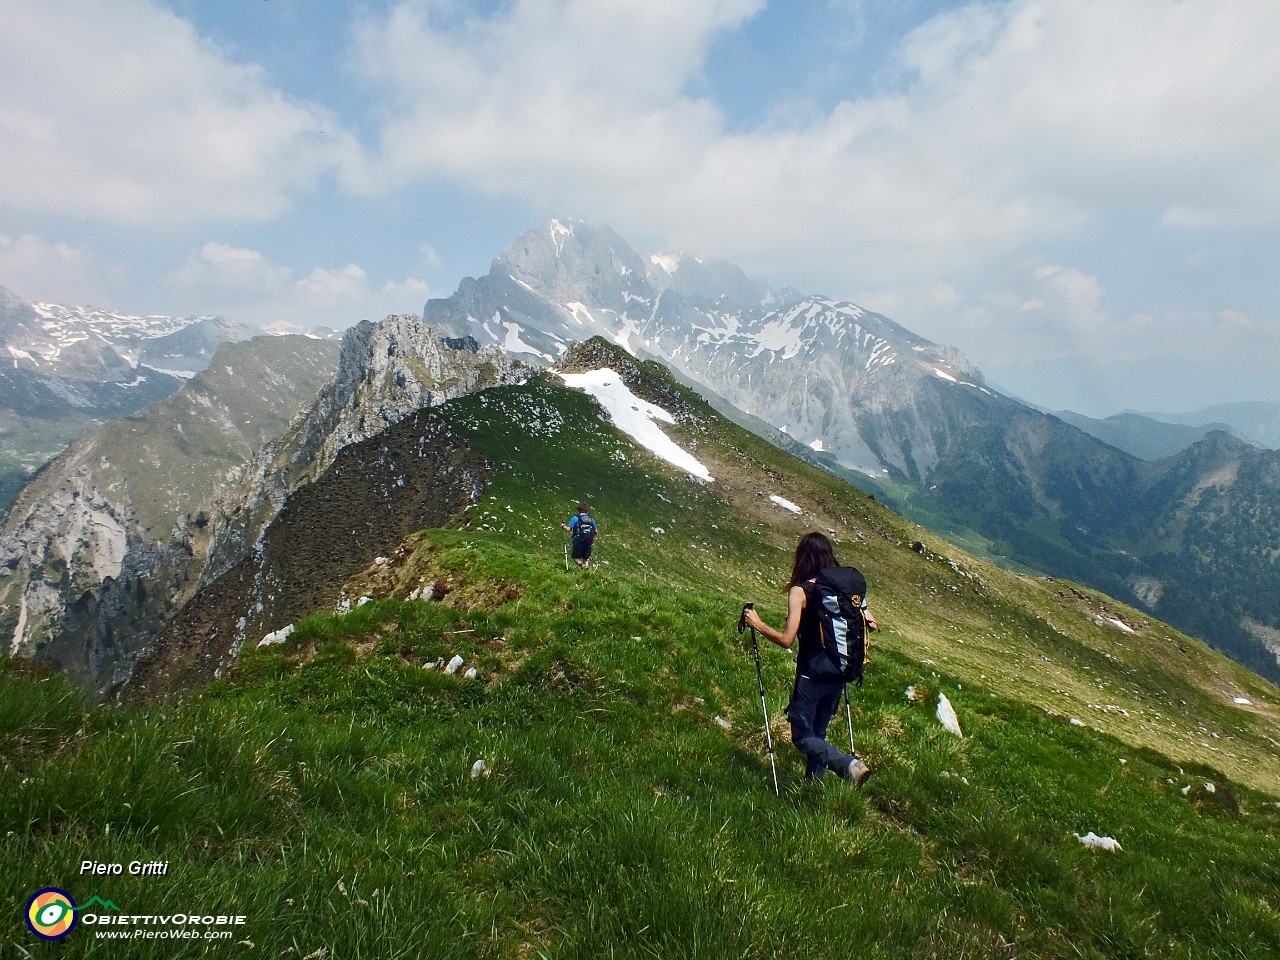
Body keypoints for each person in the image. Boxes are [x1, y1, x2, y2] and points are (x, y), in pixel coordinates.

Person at [744, 531, 878, 786]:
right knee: (819, 731)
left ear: (803, 559)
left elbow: (786, 639)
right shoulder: (843, 590)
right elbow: (871, 623)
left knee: (803, 736)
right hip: (840, 670)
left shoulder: (800, 591)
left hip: (812, 672)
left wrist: (758, 624)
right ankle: (812, 787)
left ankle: (848, 765)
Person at [561, 502, 598, 568]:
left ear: (579, 510)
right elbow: (596, 531)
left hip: (578, 541)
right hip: (588, 541)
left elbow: (568, 529)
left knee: (575, 557)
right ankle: (585, 571)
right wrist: (591, 537)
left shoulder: (575, 518)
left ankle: (581, 565)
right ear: (586, 510)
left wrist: (563, 526)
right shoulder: (591, 519)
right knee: (586, 559)